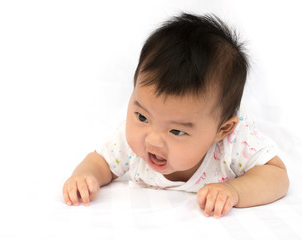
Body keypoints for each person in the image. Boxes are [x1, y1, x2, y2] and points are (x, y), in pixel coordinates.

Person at [62, 13, 289, 218]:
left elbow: (277, 176)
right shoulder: (129, 142)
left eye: (176, 131)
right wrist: (85, 176)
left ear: (222, 130)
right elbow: (100, 161)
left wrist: (235, 191)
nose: (152, 139)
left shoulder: (233, 143)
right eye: (142, 117)